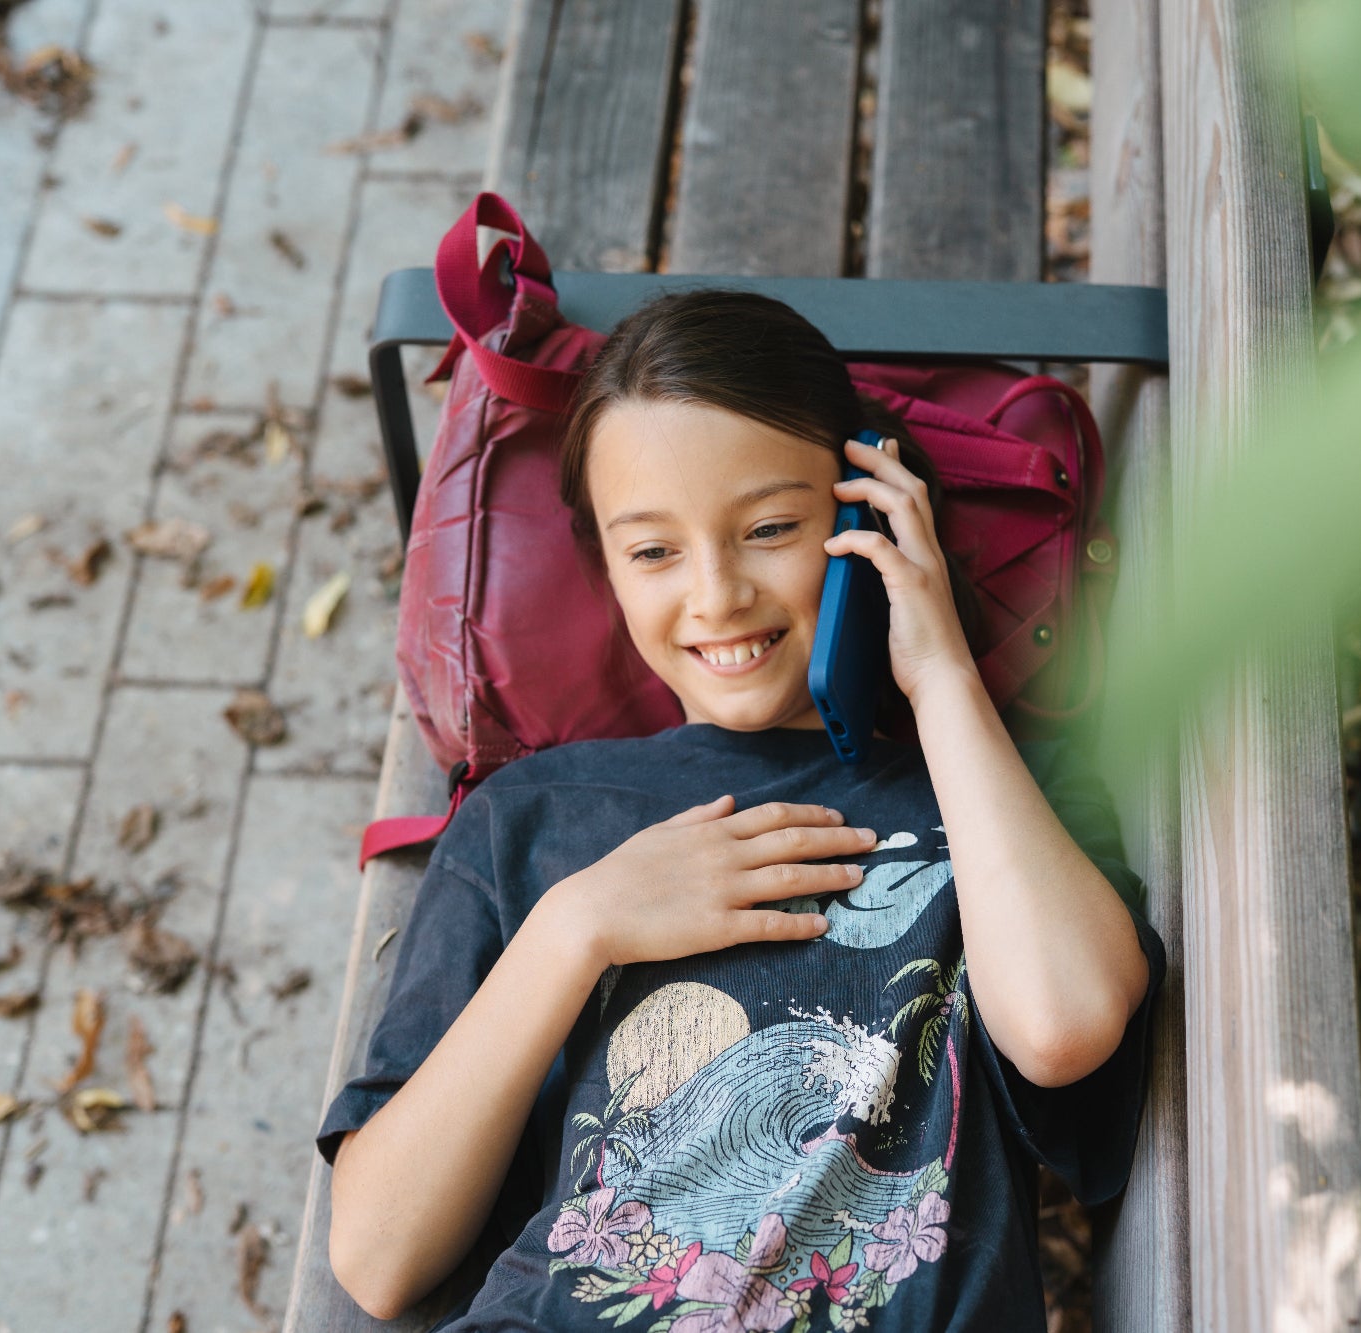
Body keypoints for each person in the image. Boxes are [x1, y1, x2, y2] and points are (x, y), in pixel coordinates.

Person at [317, 288, 1167, 1332]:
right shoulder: (532, 815)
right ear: (606, 572)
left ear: (866, 512)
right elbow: (375, 1255)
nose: (714, 594)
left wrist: (940, 670)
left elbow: (1063, 1024)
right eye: (653, 551)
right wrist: (579, 927)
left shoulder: (999, 795)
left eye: (768, 527)